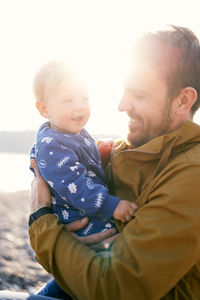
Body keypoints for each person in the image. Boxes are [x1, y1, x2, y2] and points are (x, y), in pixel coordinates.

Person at [29, 25, 200, 299]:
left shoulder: (193, 175)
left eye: (139, 94)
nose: (121, 104)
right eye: (124, 90)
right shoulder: (131, 147)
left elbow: (117, 289)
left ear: (182, 100)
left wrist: (43, 224)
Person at [30, 60, 137, 298]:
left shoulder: (70, 132)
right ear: (44, 109)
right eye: (68, 100)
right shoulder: (52, 144)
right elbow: (74, 186)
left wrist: (102, 153)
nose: (79, 107)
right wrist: (112, 205)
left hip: (86, 211)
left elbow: (82, 163)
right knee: (109, 257)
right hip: (81, 217)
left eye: (84, 98)